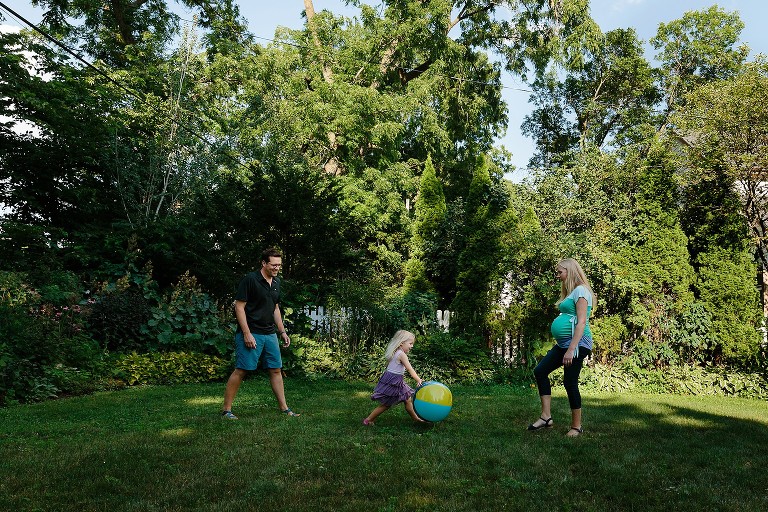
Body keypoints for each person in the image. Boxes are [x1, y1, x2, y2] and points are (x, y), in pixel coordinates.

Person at [221, 247, 300, 419]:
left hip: (270, 333)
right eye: (273, 265)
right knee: (242, 370)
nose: (277, 268)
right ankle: (226, 410)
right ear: (264, 263)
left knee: (276, 369)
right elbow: (239, 307)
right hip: (252, 332)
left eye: (279, 265)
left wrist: (282, 331)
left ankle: (285, 408)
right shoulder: (250, 280)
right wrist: (246, 333)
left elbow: (275, 308)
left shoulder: (276, 283)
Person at [528, 258, 595, 437]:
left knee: (569, 382)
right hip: (564, 344)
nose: (557, 275)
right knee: (540, 371)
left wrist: (571, 349)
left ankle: (576, 427)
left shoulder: (581, 290)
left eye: (560, 272)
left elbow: (581, 322)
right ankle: (546, 417)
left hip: (577, 344)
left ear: (570, 271)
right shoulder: (573, 291)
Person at [363, 330, 427, 426]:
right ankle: (368, 420)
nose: (412, 346)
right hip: (394, 382)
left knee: (407, 399)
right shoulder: (402, 355)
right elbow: (409, 369)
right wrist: (418, 379)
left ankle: (415, 419)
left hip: (395, 381)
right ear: (401, 343)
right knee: (386, 405)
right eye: (410, 343)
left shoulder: (395, 352)